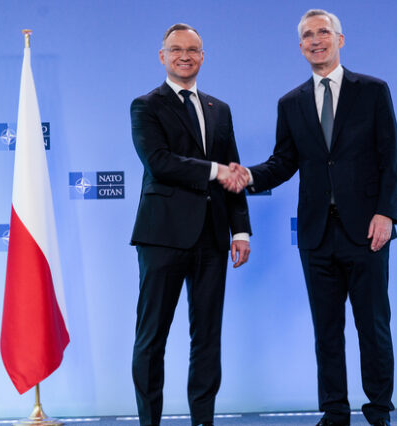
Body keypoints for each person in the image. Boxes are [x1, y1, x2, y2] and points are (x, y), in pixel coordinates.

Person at [227, 9, 397, 426]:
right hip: (316, 236)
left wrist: (387, 214)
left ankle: (378, 411)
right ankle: (335, 412)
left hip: (367, 230)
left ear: (341, 40)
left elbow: (390, 159)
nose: (316, 40)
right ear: (300, 46)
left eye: (323, 32)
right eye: (307, 35)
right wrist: (249, 175)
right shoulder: (291, 103)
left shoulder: (373, 91)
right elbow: (284, 162)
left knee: (373, 327)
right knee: (327, 331)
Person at [129, 23, 252, 426]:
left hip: (213, 238)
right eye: (176, 49)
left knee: (206, 339)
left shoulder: (220, 109)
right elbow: (160, 163)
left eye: (193, 49)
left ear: (203, 56)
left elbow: (233, 173)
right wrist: (216, 171)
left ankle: (203, 421)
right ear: (161, 55)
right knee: (152, 338)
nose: (185, 55)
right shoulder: (145, 106)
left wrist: (240, 229)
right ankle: (150, 422)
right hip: (162, 237)